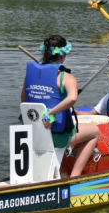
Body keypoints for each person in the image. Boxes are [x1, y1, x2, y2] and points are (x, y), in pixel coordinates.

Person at [22, 35, 100, 177]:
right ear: (63, 55)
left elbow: (23, 100)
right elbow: (73, 98)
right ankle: (74, 177)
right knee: (95, 132)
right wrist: (50, 113)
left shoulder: (30, 76)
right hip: (56, 135)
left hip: (33, 133)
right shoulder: (65, 77)